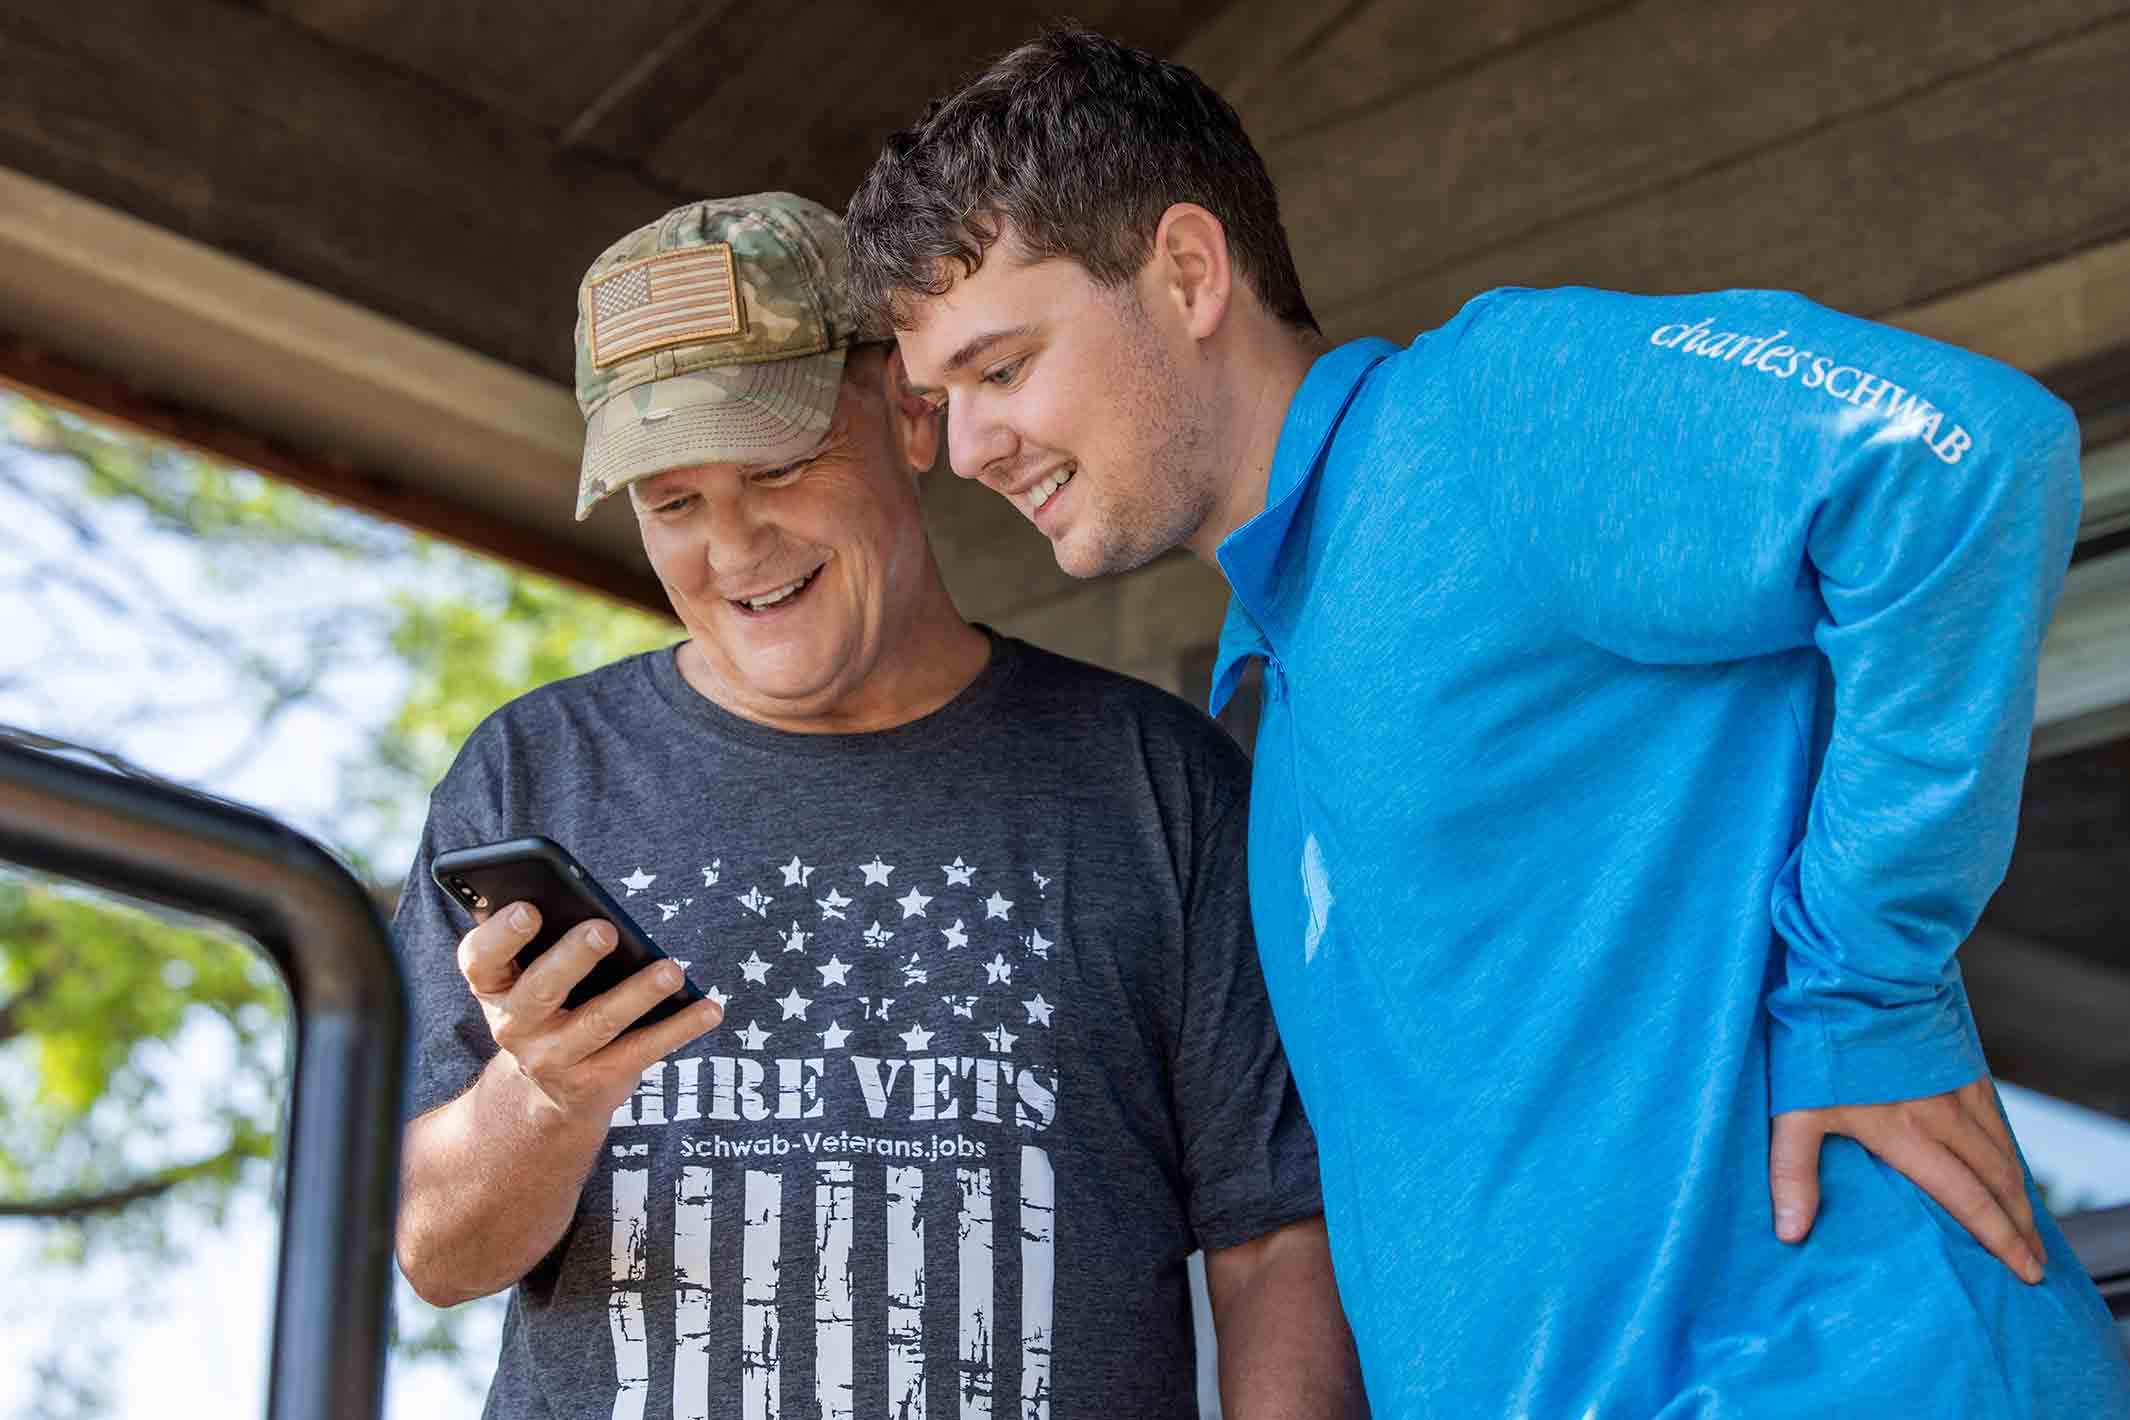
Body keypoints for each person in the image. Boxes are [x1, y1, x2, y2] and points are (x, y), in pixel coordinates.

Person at [845, 29, 2130, 1419]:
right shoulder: (1286, 709)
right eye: (941, 401)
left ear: (1189, 272)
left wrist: (1862, 999)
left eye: (1000, 369)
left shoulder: (1478, 417)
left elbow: (1959, 461)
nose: (966, 451)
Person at [390, 192, 1366, 1420]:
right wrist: (544, 1095)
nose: (735, 547)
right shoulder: (533, 773)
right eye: (672, 501)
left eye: (778, 465)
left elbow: (1277, 1241)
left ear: (910, 410)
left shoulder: (1154, 784)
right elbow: (433, 1250)